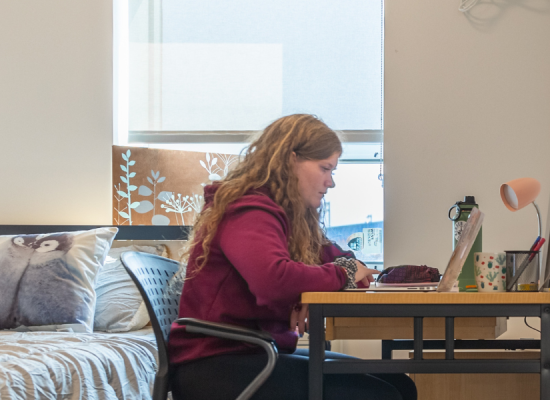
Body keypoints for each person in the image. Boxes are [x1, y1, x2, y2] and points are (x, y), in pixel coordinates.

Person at [167, 114, 416, 400]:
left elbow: (347, 263)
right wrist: (336, 276)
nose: (330, 182)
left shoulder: (290, 218)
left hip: (257, 353)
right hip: (219, 365)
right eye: (325, 168)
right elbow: (275, 280)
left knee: (399, 384)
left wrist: (310, 289)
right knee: (383, 395)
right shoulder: (248, 210)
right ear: (290, 160)